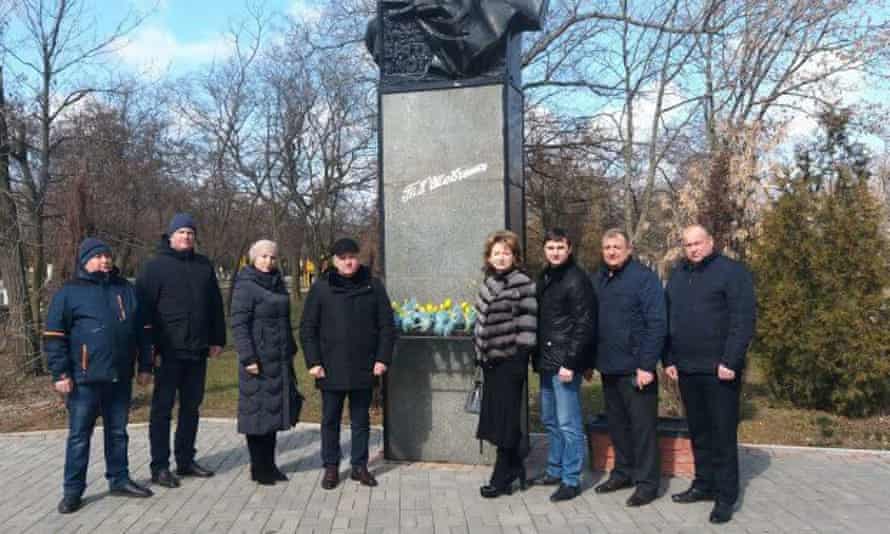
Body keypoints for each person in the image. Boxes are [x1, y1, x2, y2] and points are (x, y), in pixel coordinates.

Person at [45, 238, 155, 514]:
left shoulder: (125, 289)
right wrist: (60, 373)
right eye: (98, 256)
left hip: (119, 376)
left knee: (118, 433)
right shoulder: (68, 293)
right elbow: (54, 337)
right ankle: (72, 491)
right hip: (83, 379)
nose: (105, 260)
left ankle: (119, 479)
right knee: (79, 436)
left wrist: (144, 366)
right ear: (84, 260)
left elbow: (142, 331)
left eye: (107, 256)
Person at [664, 224, 756, 524]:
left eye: (698, 243)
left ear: (711, 242)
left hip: (721, 371)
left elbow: (743, 319)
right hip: (687, 369)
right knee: (699, 431)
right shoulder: (678, 275)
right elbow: (669, 318)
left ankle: (726, 496)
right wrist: (668, 358)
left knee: (723, 433)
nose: (693, 249)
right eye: (688, 244)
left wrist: (731, 360)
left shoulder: (732, 272)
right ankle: (704, 484)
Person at [137, 213, 226, 488]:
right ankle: (159, 466)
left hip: (197, 349)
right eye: (181, 232)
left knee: (191, 407)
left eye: (190, 233)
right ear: (171, 235)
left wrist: (217, 339)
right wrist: (149, 351)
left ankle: (185, 460)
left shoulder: (203, 265)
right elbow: (143, 313)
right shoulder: (155, 267)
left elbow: (214, 305)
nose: (186, 237)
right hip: (168, 351)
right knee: (162, 410)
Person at [299, 237, 395, 490]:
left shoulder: (372, 286)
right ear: (334, 261)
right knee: (330, 419)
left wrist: (382, 358)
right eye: (342, 258)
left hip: (365, 365)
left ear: (358, 257)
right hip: (329, 367)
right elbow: (308, 328)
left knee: (361, 420)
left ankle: (359, 466)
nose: (348, 262)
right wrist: (313, 361)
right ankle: (331, 466)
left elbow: (386, 325)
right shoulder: (321, 288)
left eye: (352, 256)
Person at [592, 228, 666, 507]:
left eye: (617, 246)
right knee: (618, 426)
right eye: (607, 247)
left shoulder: (644, 279)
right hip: (609, 367)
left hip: (637, 370)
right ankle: (623, 472)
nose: (611, 251)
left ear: (629, 249)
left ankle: (647, 484)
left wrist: (647, 365)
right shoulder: (599, 278)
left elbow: (657, 323)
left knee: (643, 429)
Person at [230, 240, 303, 485]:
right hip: (257, 361)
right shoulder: (246, 285)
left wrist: (290, 347)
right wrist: (248, 357)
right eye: (263, 257)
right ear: (253, 258)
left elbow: (283, 320)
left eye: (272, 257)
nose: (268, 261)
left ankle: (270, 466)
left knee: (272, 415)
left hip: (278, 359)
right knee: (256, 416)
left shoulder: (277, 283)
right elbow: (239, 324)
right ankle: (258, 468)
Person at [532, 228, 595, 502]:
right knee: (550, 419)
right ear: (544, 250)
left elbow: (584, 324)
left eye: (560, 247)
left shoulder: (576, 279)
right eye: (550, 248)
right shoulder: (545, 276)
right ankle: (554, 469)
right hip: (547, 361)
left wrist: (571, 362)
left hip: (564, 364)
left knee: (568, 423)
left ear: (569, 248)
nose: (555, 252)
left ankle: (571, 479)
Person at [473, 230, 537, 498]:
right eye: (496, 253)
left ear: (515, 256)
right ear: (489, 257)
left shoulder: (522, 283)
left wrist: (519, 358)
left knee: (506, 420)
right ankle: (516, 465)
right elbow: (480, 322)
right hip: (490, 362)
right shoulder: (487, 283)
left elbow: (528, 324)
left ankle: (502, 475)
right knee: (497, 418)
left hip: (511, 361)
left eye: (506, 252)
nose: (501, 257)